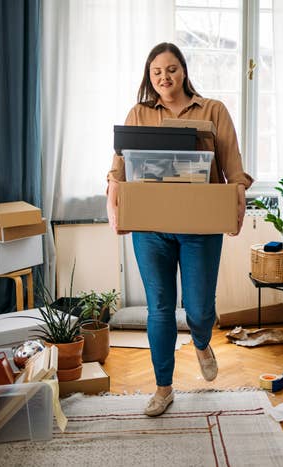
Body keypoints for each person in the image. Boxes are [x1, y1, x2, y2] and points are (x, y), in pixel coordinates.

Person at [106, 43, 253, 417]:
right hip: (151, 227)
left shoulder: (213, 111)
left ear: (183, 71)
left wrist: (236, 204)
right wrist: (113, 202)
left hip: (199, 225)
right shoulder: (138, 114)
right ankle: (163, 388)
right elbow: (118, 170)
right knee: (160, 309)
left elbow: (233, 168)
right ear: (149, 76)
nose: (164, 77)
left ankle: (202, 341)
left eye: (171, 69)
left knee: (200, 309)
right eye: (156, 72)